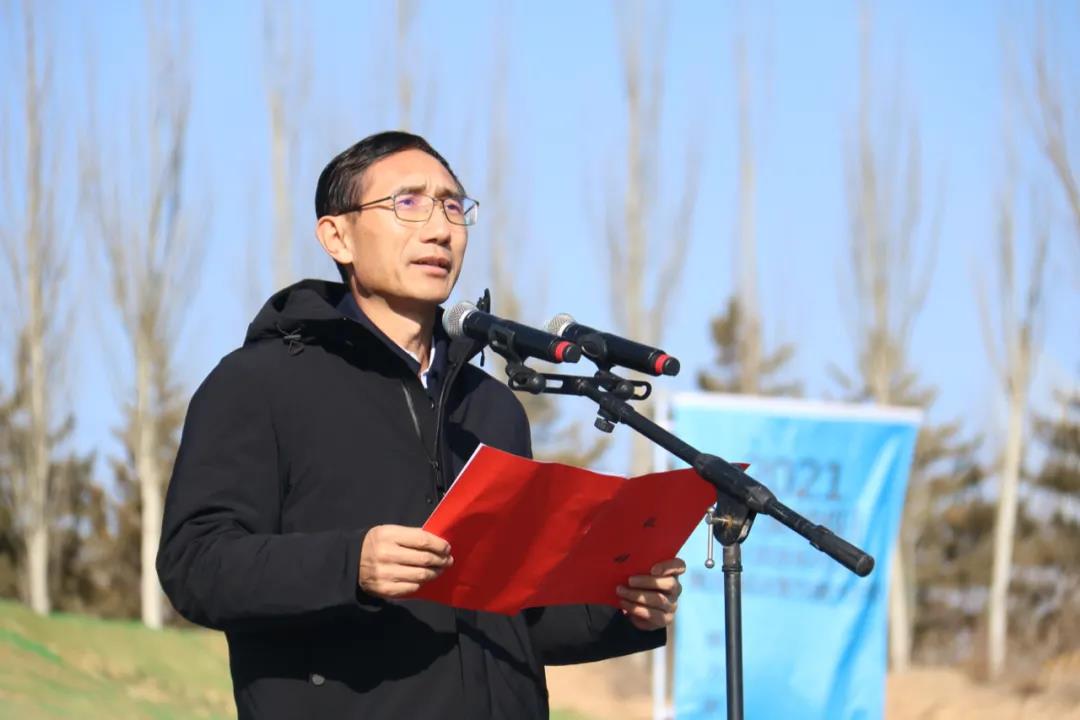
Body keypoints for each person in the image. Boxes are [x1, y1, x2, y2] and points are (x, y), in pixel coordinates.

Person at [157, 130, 686, 719]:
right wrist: (352, 565)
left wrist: (621, 607)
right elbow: (195, 564)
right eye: (407, 203)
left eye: (452, 206)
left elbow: (511, 615)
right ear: (337, 236)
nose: (439, 228)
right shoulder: (260, 382)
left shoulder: (493, 409)